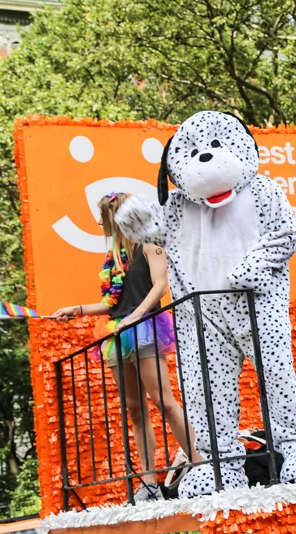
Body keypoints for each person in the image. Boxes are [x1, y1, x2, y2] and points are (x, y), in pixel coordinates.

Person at [53, 192, 191, 502]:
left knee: (165, 402)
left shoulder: (150, 244)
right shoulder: (113, 258)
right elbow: (111, 303)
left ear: (115, 216)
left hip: (145, 328)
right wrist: (77, 310)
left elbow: (160, 286)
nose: (98, 223)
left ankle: (201, 465)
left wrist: (136, 316)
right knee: (135, 409)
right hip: (118, 333)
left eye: (102, 216)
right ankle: (148, 483)